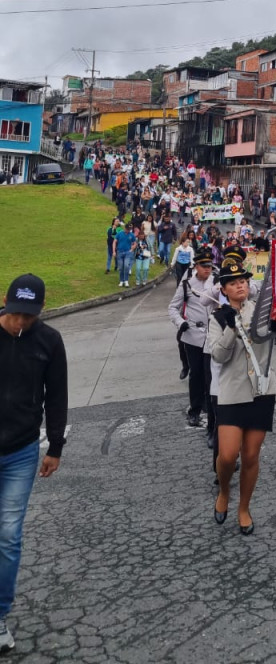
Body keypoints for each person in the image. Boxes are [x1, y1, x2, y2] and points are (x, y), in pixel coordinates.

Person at [0, 274, 68, 654]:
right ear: (4, 302)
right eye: (16, 314)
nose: (21, 323)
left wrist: (55, 446)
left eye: (29, 316)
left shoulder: (49, 341)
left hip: (21, 451)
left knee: (8, 535)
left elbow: (56, 396)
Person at [209, 259, 276, 533]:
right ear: (224, 289)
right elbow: (218, 356)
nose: (240, 286)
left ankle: (244, 508)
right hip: (232, 392)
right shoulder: (218, 317)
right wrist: (230, 329)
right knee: (227, 456)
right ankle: (224, 491)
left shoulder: (263, 311)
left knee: (250, 456)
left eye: (243, 281)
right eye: (233, 283)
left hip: (261, 391)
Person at [169, 250, 215, 428]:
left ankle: (211, 409)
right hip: (193, 335)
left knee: (210, 375)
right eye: (204, 266)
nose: (207, 269)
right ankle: (194, 410)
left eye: (210, 266)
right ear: (196, 266)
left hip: (213, 335)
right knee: (196, 374)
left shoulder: (216, 282)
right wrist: (181, 322)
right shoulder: (187, 284)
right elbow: (173, 307)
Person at [113, 222, 137, 288]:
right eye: (127, 229)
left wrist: (132, 248)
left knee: (126, 266)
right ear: (125, 228)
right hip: (120, 252)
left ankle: (126, 280)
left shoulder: (131, 235)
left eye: (129, 229)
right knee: (121, 267)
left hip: (128, 252)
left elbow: (135, 243)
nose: (128, 230)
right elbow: (114, 242)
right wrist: (114, 251)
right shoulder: (119, 234)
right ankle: (121, 280)